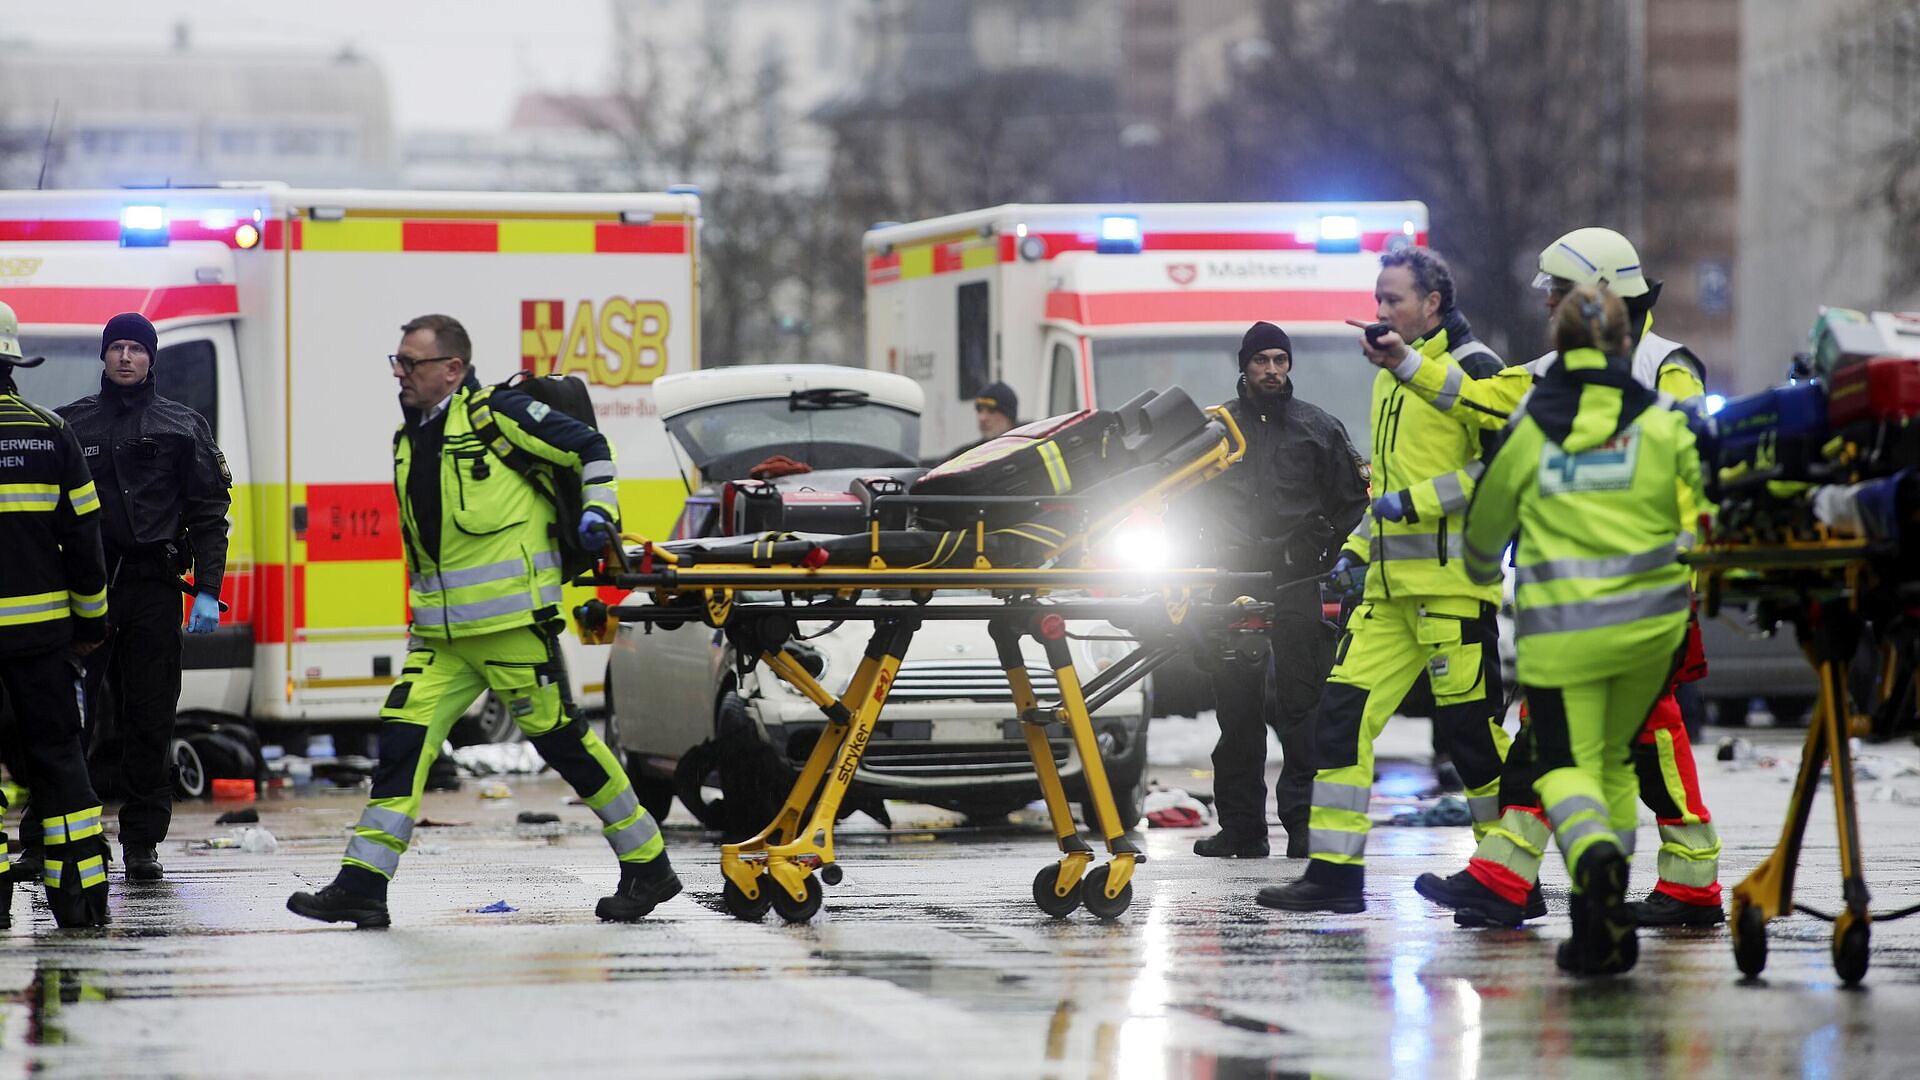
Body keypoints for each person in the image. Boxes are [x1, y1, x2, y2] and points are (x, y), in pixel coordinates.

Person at [288, 314, 677, 928]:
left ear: (452, 369)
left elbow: (589, 448)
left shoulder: (500, 417)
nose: (400, 373)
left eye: (411, 362)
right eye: (396, 361)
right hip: (443, 640)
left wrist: (600, 511)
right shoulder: (410, 437)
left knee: (563, 742)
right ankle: (363, 884)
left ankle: (648, 864)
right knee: (401, 741)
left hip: (511, 627)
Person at [1385, 228, 1725, 929]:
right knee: (1553, 737)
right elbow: (1481, 396)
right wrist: (1407, 364)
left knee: (1646, 741)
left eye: (1556, 293)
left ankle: (1681, 883)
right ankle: (1507, 878)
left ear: (1592, 293)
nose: (1546, 306)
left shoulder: (1665, 369)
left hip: (1637, 603)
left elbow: (1696, 481)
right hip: (1579, 610)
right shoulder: (1556, 372)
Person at [1255, 247, 1512, 914]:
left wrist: (1415, 503)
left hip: (1453, 589)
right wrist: (1359, 545)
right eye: (1377, 299)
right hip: (1391, 594)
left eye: (1394, 299)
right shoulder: (1388, 378)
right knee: (1338, 724)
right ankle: (1335, 876)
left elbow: (1500, 470)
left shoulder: (1474, 367)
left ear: (1433, 303)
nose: (1381, 312)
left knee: (1473, 742)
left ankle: (1509, 879)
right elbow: (1387, 491)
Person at [1458, 283, 1699, 975]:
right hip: (1653, 635)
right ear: (1628, 343)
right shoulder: (1661, 424)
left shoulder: (1533, 430)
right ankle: (1603, 926)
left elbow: (1482, 537)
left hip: (1563, 637)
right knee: (1617, 766)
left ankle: (1593, 857)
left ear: (1557, 349)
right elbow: (1701, 515)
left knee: (1562, 765)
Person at [51, 312, 230, 883]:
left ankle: (142, 843)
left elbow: (209, 514)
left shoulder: (183, 426)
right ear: (103, 357)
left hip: (154, 586)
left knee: (151, 716)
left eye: (136, 348)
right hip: (88, 588)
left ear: (153, 358)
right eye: (116, 348)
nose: (125, 357)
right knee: (68, 716)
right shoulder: (69, 426)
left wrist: (207, 590)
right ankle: (57, 833)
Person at [1188, 322, 1368, 860]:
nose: (1272, 369)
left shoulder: (1318, 428)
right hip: (1231, 579)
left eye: (1280, 360)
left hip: (1297, 580)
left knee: (1302, 707)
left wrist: (1336, 559)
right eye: (1262, 360)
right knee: (1237, 712)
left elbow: (1351, 506)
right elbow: (1183, 502)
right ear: (1243, 365)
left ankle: (1304, 828)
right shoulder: (1215, 431)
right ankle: (1242, 830)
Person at [0, 300, 113, 928]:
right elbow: (85, 541)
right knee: (59, 762)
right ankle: (79, 898)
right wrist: (91, 624)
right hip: (43, 642)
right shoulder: (51, 433)